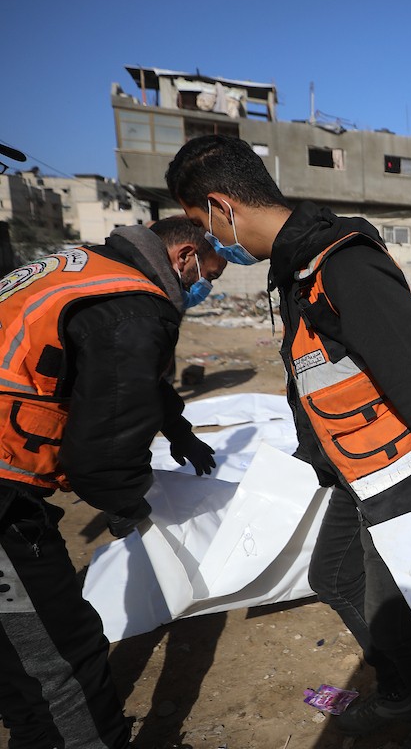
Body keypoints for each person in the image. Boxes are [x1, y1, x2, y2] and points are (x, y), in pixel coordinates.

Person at [167, 135, 411, 748]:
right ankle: (398, 693)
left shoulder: (344, 263)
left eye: (196, 220)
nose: (204, 238)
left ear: (221, 206)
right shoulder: (296, 268)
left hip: (398, 472)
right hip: (351, 469)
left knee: (394, 617)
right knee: (333, 578)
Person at [0, 218, 219, 749]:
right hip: (4, 494)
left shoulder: (86, 269)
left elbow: (125, 371)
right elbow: (103, 451)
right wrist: (127, 503)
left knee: (19, 659)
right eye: (208, 275)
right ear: (185, 256)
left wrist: (178, 431)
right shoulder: (136, 306)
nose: (203, 289)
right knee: (63, 657)